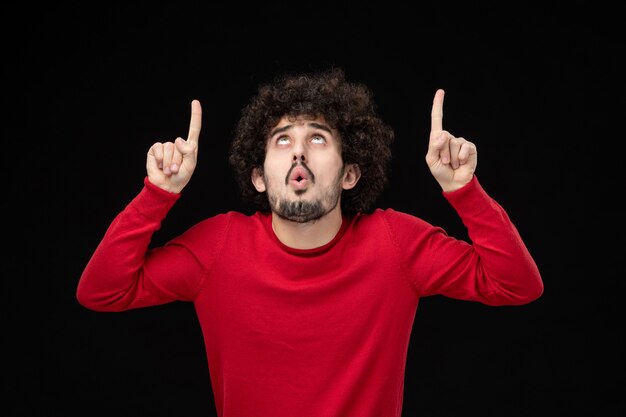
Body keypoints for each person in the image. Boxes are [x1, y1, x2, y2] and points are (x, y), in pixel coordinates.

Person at [76, 67, 543, 417]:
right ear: (259, 178)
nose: (298, 150)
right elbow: (102, 291)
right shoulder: (218, 247)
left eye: (317, 138)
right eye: (282, 140)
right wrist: (158, 194)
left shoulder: (395, 242)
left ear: (350, 173)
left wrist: (464, 190)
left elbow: (516, 284)